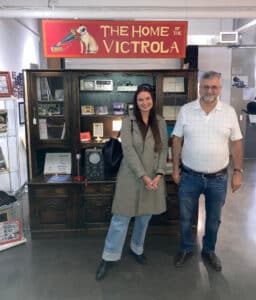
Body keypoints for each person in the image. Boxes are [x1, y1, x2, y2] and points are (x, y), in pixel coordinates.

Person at [172, 71, 243, 272]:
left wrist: (238, 171)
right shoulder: (186, 110)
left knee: (213, 220)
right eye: (206, 86)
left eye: (214, 86)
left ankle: (209, 250)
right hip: (189, 176)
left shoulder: (228, 112)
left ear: (220, 89)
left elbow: (237, 142)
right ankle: (186, 248)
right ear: (199, 88)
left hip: (218, 179)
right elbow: (176, 139)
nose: (209, 90)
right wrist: (175, 169)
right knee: (186, 218)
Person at [95, 84, 168, 280]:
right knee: (120, 218)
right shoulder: (128, 121)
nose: (145, 102)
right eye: (140, 99)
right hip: (131, 177)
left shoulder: (159, 121)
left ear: (153, 100)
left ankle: (137, 248)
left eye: (148, 98)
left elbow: (163, 150)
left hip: (153, 177)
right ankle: (108, 257)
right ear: (136, 102)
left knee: (144, 217)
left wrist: (159, 174)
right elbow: (128, 151)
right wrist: (144, 176)